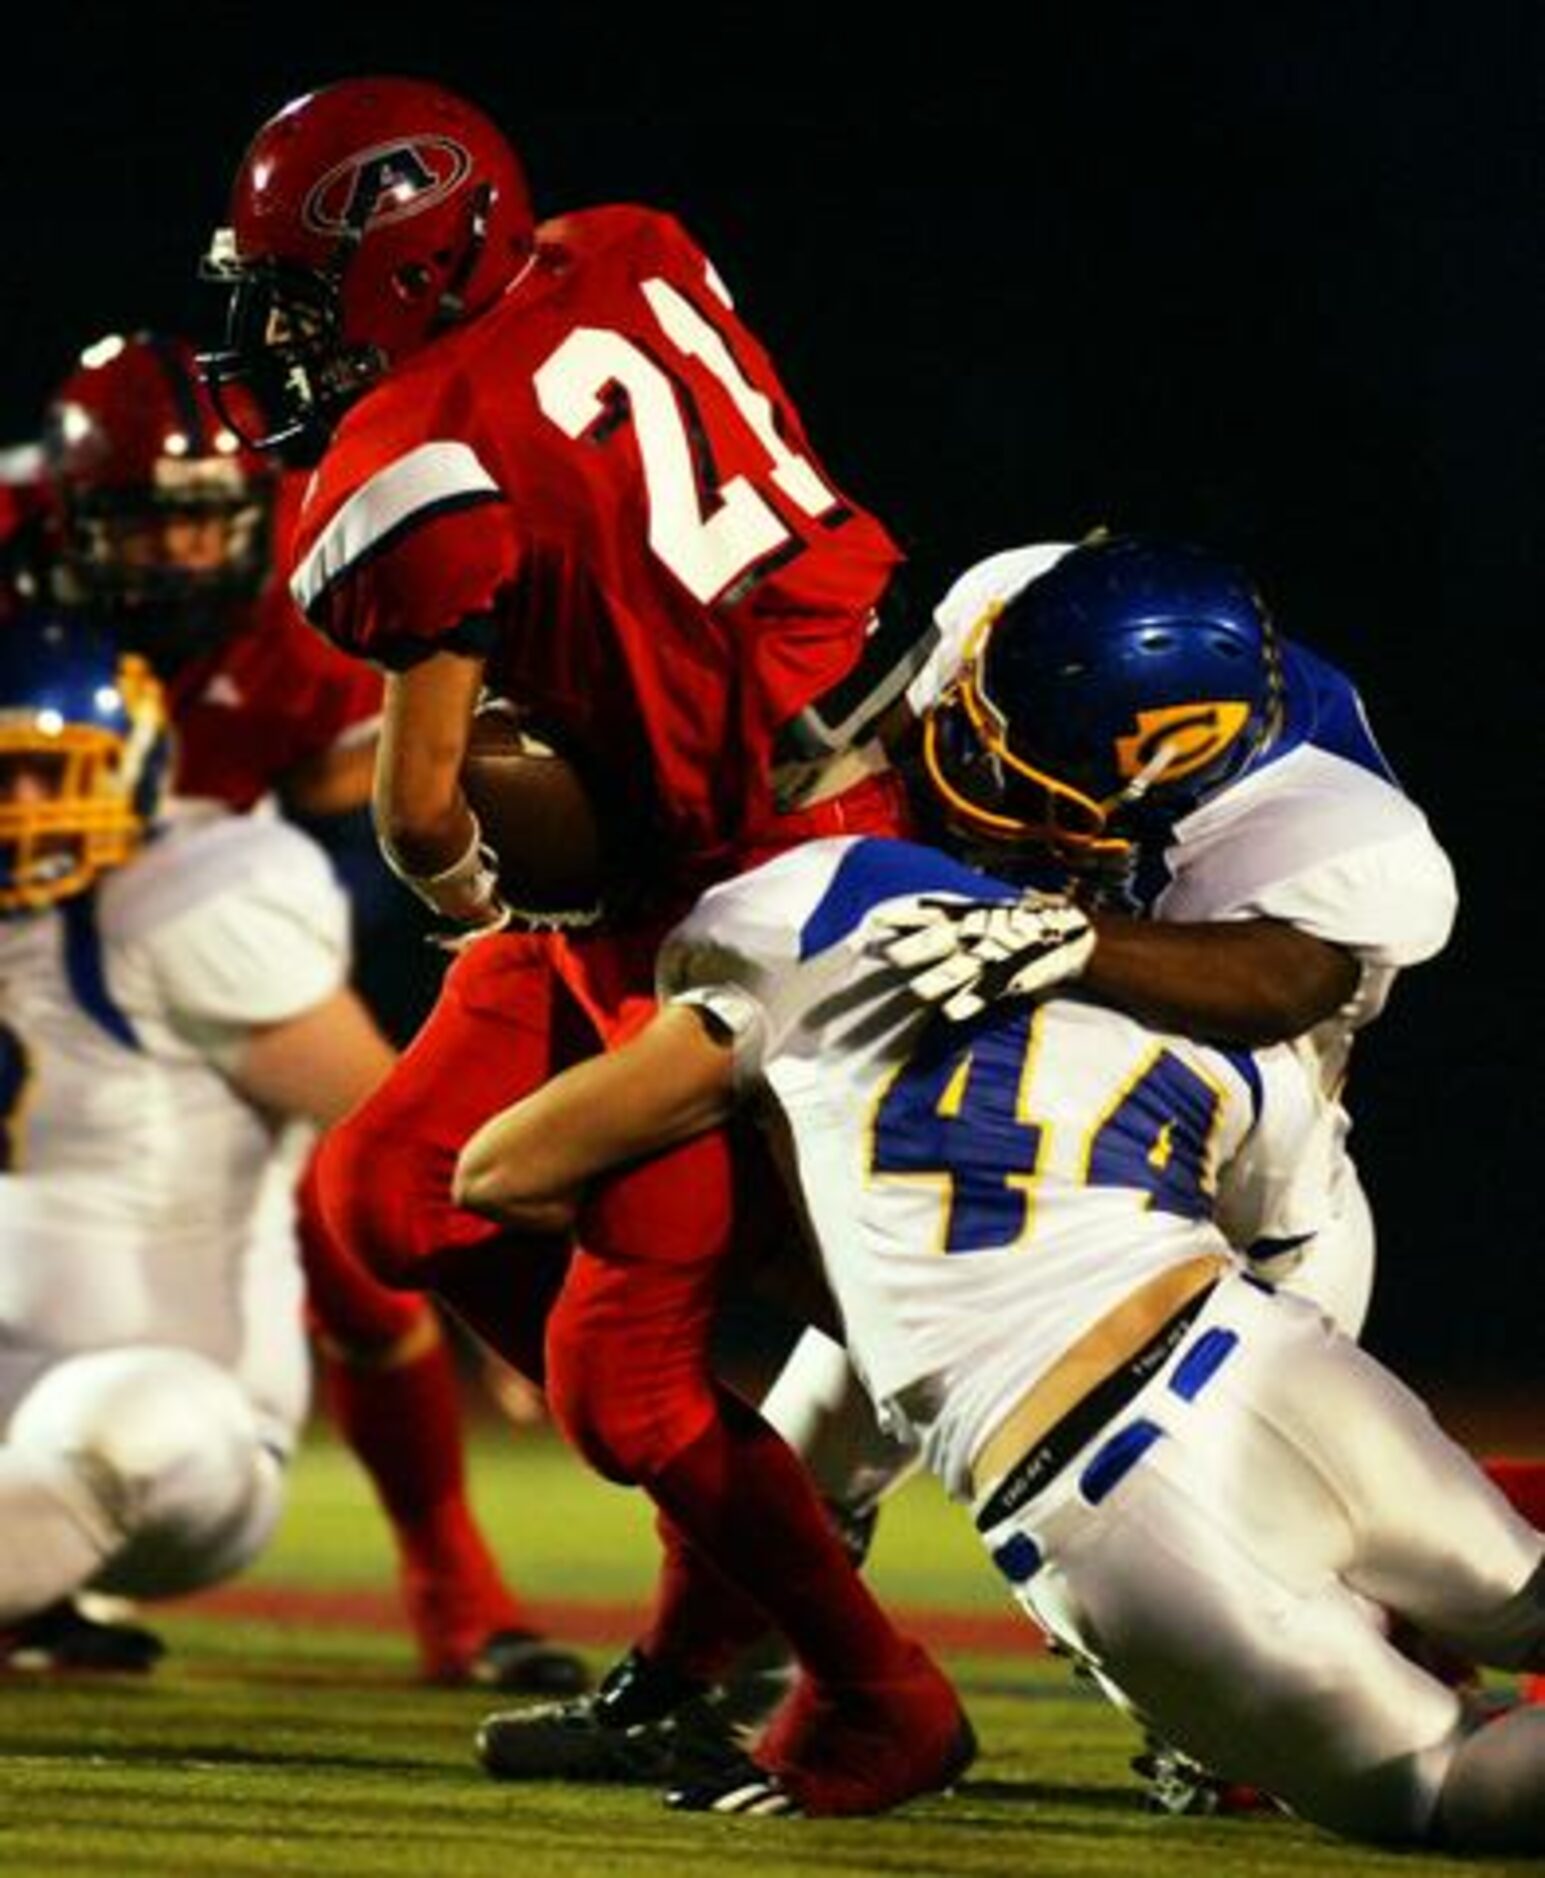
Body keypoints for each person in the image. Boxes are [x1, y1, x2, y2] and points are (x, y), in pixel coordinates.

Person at [196, 73, 970, 1814]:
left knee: (614, 1376)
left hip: (751, 887)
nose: (287, 342)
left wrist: (480, 884)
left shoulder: (410, 463)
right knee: (381, 1193)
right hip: (731, 809)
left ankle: (872, 1684)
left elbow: (414, 817)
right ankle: (743, 1504)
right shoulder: (629, 247)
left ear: (411, 262)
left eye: (307, 299)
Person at [449, 822, 1545, 1850]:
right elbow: (1285, 1214)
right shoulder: (1174, 995)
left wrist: (730, 1212)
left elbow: (502, 1169)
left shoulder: (813, 922)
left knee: (1441, 1783)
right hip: (1257, 1351)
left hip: (1094, 1483)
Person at [1, 333, 583, 1693]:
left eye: (211, 528)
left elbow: (354, 800)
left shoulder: (301, 615)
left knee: (338, 1182)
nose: (186, 564)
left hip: (184, 891)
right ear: (68, 511)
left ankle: (451, 1577)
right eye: (150, 531)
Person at [0, 609, 383, 1658]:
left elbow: (391, 1129)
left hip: (181, 1431)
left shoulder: (199, 893)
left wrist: (519, 1303)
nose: (23, 809)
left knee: (125, 1427)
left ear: (135, 765)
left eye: (51, 772)